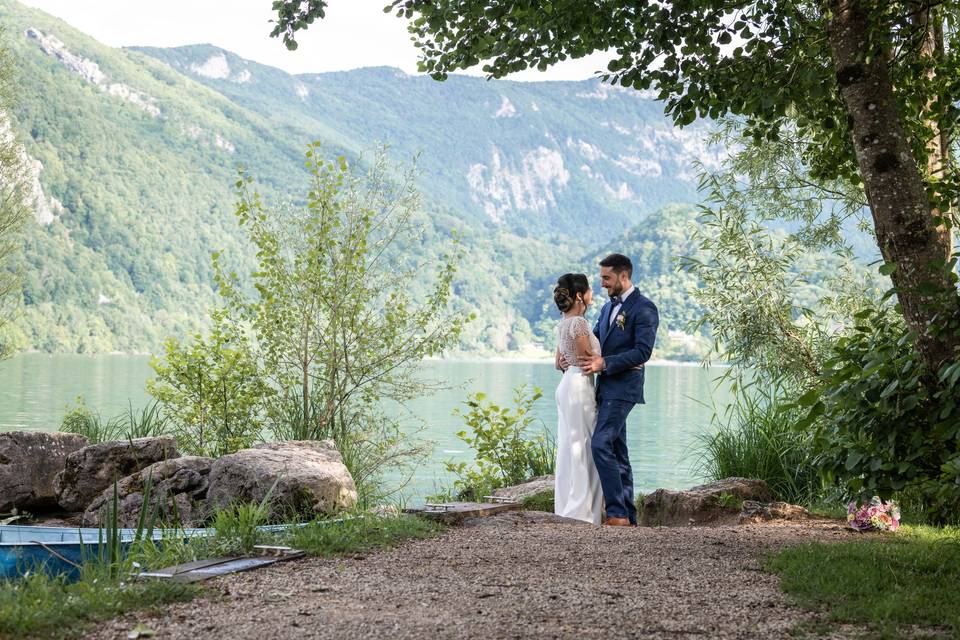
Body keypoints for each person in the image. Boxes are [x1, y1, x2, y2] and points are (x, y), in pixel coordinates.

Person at [578, 254, 658, 526]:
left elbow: (643, 352)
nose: (602, 283)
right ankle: (629, 516)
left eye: (606, 278)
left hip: (625, 386)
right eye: (601, 278)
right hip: (605, 386)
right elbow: (596, 342)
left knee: (600, 443)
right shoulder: (605, 309)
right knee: (618, 451)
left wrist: (605, 363)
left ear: (624, 276)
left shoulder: (645, 308)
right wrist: (571, 355)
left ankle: (616, 513)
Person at [552, 273, 603, 525]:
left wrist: (568, 362)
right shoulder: (580, 324)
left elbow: (557, 363)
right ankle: (582, 512)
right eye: (591, 289)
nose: (594, 293)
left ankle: (565, 507)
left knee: (568, 445)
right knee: (583, 446)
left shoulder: (563, 323)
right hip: (578, 386)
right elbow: (587, 360)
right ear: (580, 296)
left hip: (565, 384)